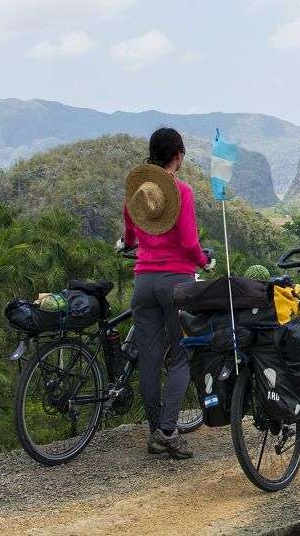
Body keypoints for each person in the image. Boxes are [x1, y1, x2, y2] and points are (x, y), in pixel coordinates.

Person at [119, 127, 214, 459]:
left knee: (150, 358)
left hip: (143, 283)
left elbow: (129, 238)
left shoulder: (139, 194)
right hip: (175, 284)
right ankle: (169, 432)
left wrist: (131, 245)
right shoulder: (181, 192)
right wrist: (206, 260)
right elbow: (189, 243)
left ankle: (153, 430)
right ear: (178, 155)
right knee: (181, 355)